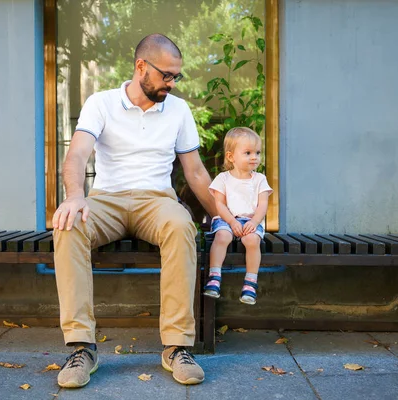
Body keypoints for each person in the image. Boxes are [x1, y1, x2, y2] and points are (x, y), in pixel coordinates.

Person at [52, 33, 216, 389]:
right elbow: (77, 154)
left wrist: (226, 217)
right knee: (67, 226)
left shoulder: (179, 110)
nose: (171, 83)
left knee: (180, 224)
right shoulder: (103, 103)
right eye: (166, 75)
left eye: (176, 76)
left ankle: (176, 347)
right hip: (106, 199)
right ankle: (82, 346)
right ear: (141, 66)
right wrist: (75, 195)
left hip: (156, 200)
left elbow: (196, 172)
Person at [202, 127, 273, 305]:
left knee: (252, 241)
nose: (254, 157)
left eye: (257, 152)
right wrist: (232, 221)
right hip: (227, 219)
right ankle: (214, 277)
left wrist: (255, 222)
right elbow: (220, 204)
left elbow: (263, 204)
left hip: (250, 220)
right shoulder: (223, 179)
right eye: (248, 153)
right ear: (231, 156)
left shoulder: (259, 179)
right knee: (222, 236)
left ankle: (250, 282)